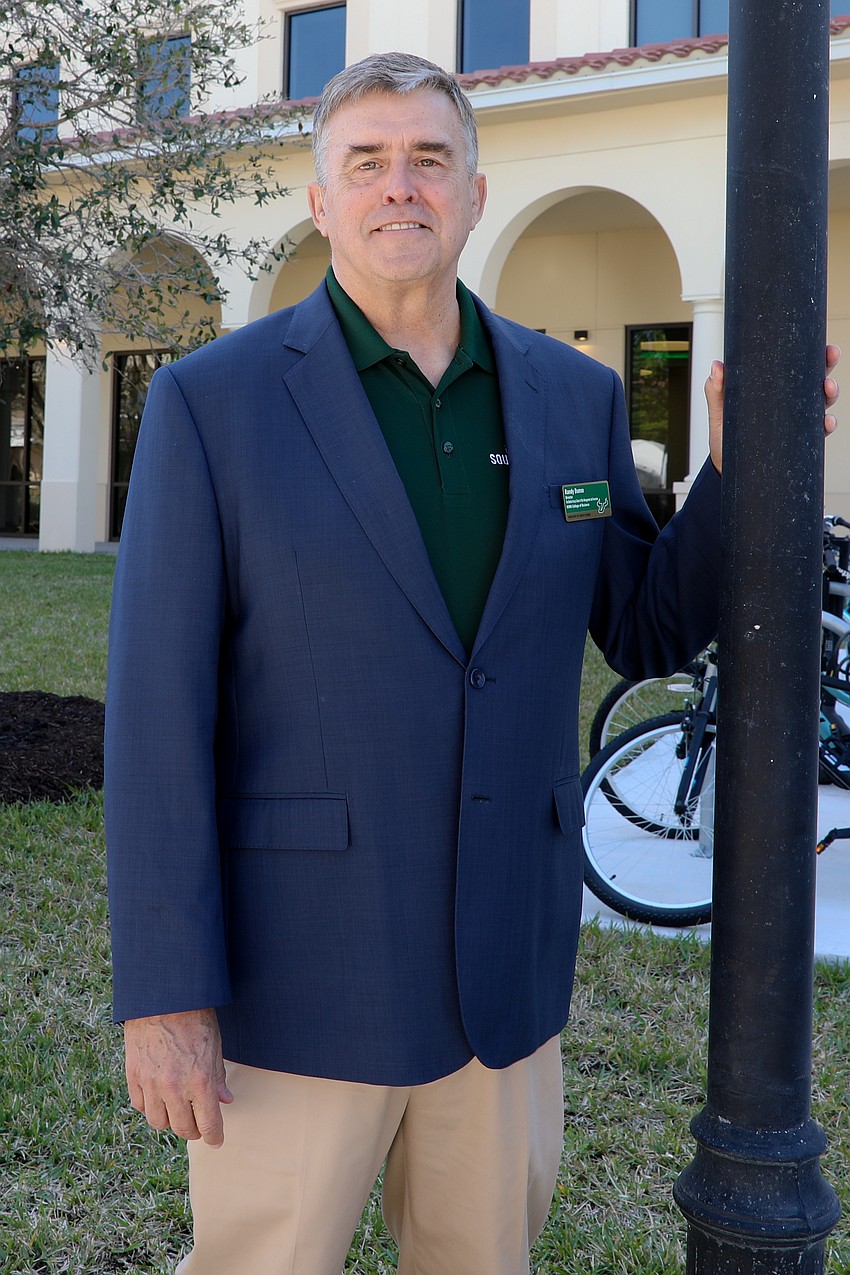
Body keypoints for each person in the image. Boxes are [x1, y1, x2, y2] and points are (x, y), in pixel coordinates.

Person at [104, 51, 840, 1275]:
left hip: (503, 978)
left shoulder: (571, 396)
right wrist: (164, 994)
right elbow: (156, 721)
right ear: (319, 198)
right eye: (367, 162)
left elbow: (646, 628)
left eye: (429, 159)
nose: (401, 187)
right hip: (302, 978)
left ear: (476, 194)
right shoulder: (207, 405)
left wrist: (737, 466)